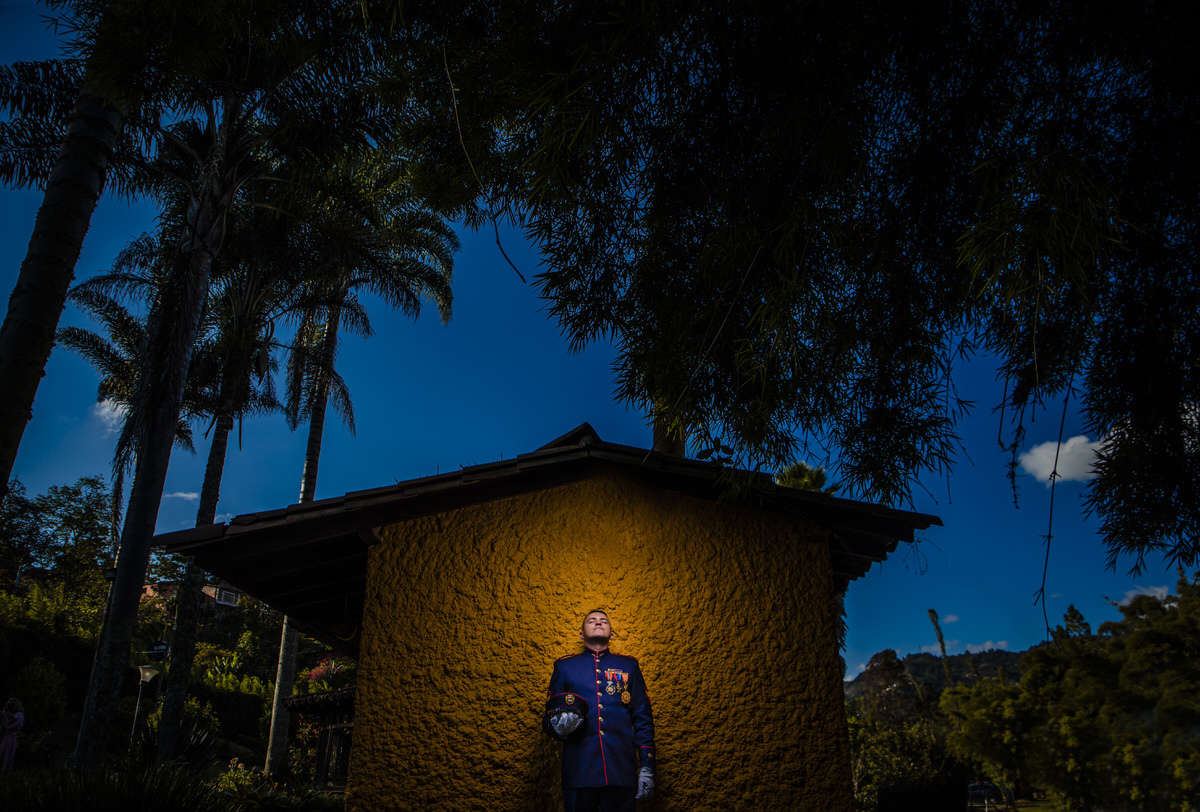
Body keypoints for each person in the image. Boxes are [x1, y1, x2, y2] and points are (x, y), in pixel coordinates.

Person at [543, 610, 656, 812]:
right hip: (579, 772)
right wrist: (558, 729)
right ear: (581, 633)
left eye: (604, 620)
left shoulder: (629, 665)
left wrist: (647, 766)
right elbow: (549, 717)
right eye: (591, 620)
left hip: (621, 771)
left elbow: (642, 717)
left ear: (612, 634)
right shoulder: (564, 667)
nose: (598, 622)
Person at [0, 697, 24, 774]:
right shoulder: (17, 715)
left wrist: (4, 717)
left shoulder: (19, 716)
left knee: (4, 755)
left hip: (8, 739)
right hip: (7, 737)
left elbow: (6, 726)